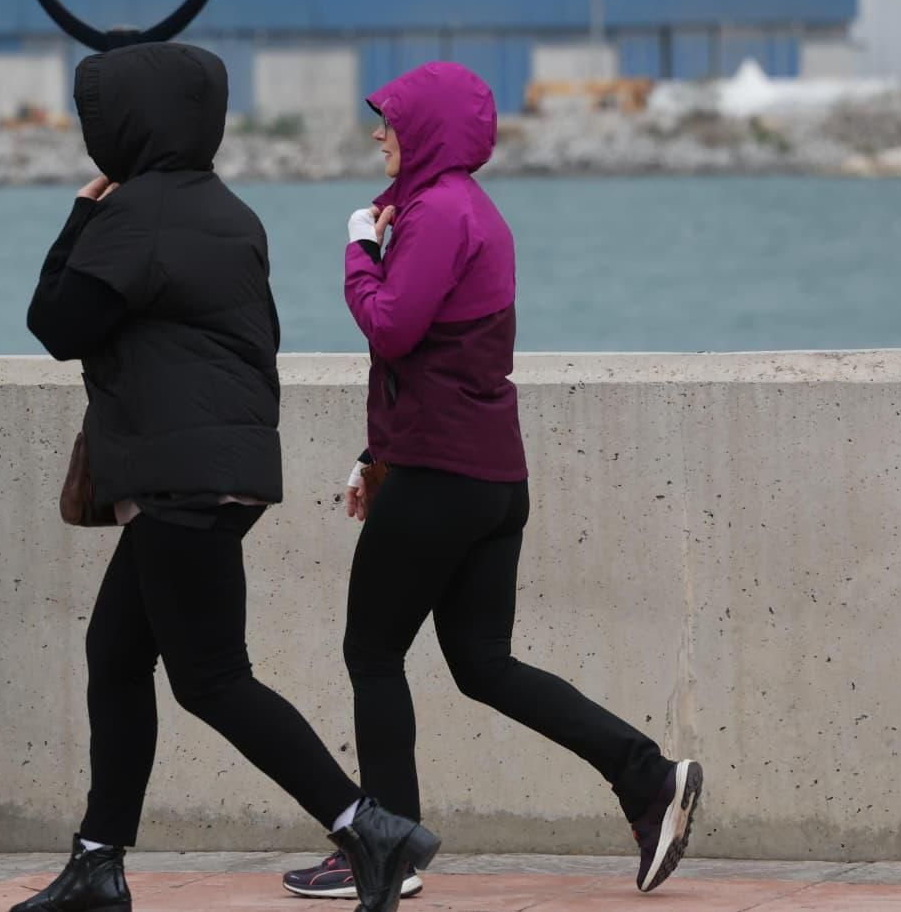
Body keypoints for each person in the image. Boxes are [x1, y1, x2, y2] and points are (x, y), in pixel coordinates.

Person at [18, 41, 440, 912]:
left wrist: (82, 213)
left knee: (211, 677)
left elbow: (55, 322)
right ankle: (97, 860)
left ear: (126, 123)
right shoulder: (229, 210)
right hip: (223, 467)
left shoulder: (136, 215)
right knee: (116, 656)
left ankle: (368, 826)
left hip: (179, 476)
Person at [279, 62, 703, 902]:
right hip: (490, 477)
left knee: (372, 652)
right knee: (483, 664)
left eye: (390, 120)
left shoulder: (437, 213)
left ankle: (386, 848)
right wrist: (376, 454)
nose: (378, 133)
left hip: (440, 476)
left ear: (427, 129)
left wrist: (359, 251)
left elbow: (392, 328)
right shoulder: (471, 210)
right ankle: (646, 775)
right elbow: (447, 361)